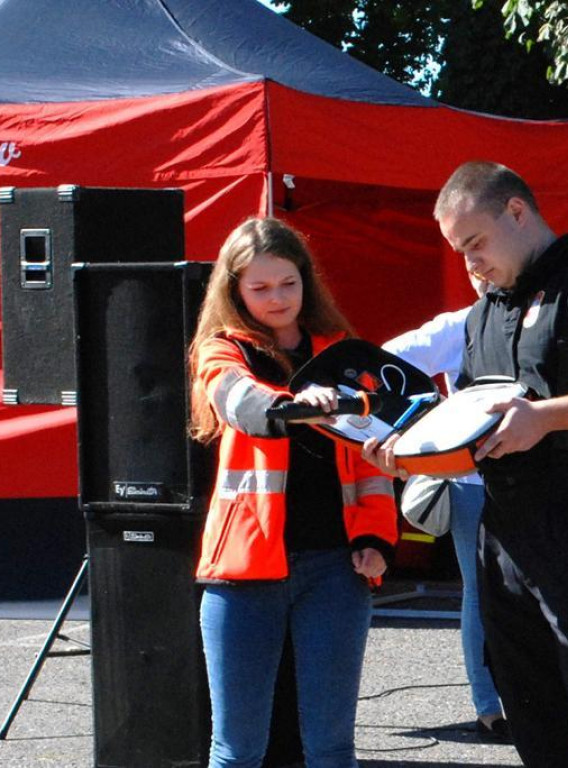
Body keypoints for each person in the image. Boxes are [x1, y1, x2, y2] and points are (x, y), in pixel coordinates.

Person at [364, 161, 568, 768]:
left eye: (476, 243)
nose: (470, 263)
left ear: (517, 211)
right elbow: (478, 429)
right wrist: (411, 455)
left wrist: (547, 417)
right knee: (537, 733)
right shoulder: (486, 313)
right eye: (459, 251)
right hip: (504, 539)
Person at [189, 217, 398, 768]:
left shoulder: (344, 352)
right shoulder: (221, 351)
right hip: (241, 573)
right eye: (259, 288)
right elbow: (243, 403)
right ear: (233, 290)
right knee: (236, 750)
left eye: (288, 283)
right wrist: (301, 401)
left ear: (307, 281)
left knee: (332, 748)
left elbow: (371, 463)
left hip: (336, 567)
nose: (276, 298)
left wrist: (378, 534)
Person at [381, 272, 510, 741]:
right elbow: (384, 363)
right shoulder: (458, 325)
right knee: (481, 591)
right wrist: (422, 422)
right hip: (471, 484)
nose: (485, 276)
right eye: (476, 269)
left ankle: (531, 696)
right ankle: (489, 705)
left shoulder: (537, 318)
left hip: (534, 483)